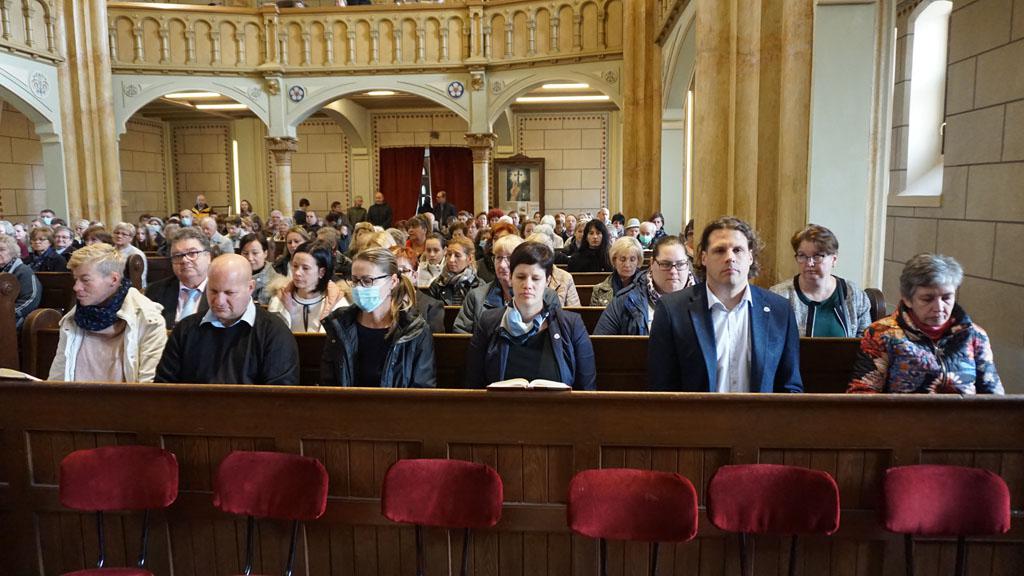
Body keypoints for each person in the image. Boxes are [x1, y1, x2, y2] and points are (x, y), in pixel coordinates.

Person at [648, 217, 802, 393]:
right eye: (720, 250)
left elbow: (790, 386)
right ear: (704, 258)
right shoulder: (672, 310)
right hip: (697, 411)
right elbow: (661, 387)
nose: (730, 257)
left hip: (759, 412)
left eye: (737, 250)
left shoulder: (779, 310)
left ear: (750, 257)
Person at [848, 254, 1003, 394]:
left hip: (964, 416)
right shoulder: (881, 334)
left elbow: (993, 396)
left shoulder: (974, 335)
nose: (939, 307)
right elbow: (863, 395)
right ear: (907, 299)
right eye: (927, 299)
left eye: (947, 298)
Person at [465, 242, 595, 390]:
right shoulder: (488, 322)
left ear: (547, 281)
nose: (527, 285)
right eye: (521, 277)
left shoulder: (572, 325)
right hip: (501, 405)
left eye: (535, 278)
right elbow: (473, 386)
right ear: (511, 278)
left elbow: (587, 391)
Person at [155, 254, 300, 385]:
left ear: (250, 287)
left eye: (229, 293)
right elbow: (164, 388)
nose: (219, 301)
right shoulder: (186, 329)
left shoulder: (275, 333)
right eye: (213, 291)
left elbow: (280, 397)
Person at [47, 244, 167, 382]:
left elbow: (149, 386)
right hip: (75, 395)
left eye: (85, 280)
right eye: (75, 279)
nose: (76, 287)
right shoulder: (73, 319)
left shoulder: (148, 320)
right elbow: (57, 379)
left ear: (113, 279)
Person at [320, 247, 436, 388]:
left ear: (393, 281)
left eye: (367, 280)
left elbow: (422, 388)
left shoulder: (414, 329)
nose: (359, 288)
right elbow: (328, 382)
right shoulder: (340, 323)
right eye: (355, 280)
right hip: (346, 402)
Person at [770, 224, 872, 337]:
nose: (809, 263)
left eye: (817, 256)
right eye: (802, 256)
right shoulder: (778, 296)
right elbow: (771, 341)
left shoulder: (855, 295)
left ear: (834, 259)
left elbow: (866, 342)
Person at [596, 236, 696, 335]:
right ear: (652, 263)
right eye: (665, 264)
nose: (673, 271)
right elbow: (601, 342)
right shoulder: (624, 301)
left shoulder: (702, 298)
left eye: (680, 264)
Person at [455, 234, 548, 334]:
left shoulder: (543, 295)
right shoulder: (476, 296)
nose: (502, 265)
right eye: (498, 258)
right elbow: (461, 334)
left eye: (509, 258)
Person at [268, 241, 348, 333]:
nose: (297, 273)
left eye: (305, 268)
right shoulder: (280, 298)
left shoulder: (338, 303)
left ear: (321, 272)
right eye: (295, 266)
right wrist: (288, 312)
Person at [145, 227, 211, 327]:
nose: (184, 260)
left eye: (192, 253)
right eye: (177, 255)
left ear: (208, 257)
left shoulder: (224, 292)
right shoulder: (155, 291)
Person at [391, 246, 444, 333]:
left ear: (415, 275)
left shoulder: (432, 306)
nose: (395, 277)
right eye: (391, 272)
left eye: (402, 271)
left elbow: (434, 340)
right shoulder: (382, 303)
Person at [0, 235, 41, 328]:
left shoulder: (23, 271)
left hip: (14, 318)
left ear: (12, 252)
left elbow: (31, 299)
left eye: (2, 249)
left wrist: (6, 313)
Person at [591, 236, 643, 307]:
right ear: (614, 260)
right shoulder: (599, 290)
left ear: (638, 261)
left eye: (632, 260)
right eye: (622, 259)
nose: (627, 265)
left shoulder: (646, 288)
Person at [427, 236, 480, 306]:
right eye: (449, 254)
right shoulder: (437, 284)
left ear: (469, 259)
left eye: (457, 255)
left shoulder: (478, 286)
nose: (451, 260)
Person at [239, 233, 281, 305]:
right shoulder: (233, 276)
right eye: (245, 253)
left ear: (265, 253)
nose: (250, 258)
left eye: (255, 253)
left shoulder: (276, 282)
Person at [112, 222, 148, 288]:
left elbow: (140, 279)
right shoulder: (108, 251)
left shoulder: (137, 254)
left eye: (124, 234)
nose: (119, 236)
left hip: (130, 288)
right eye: (117, 233)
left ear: (131, 238)